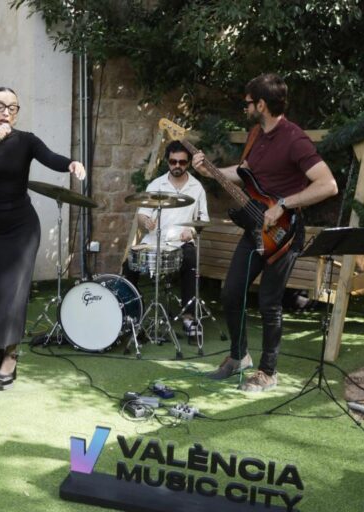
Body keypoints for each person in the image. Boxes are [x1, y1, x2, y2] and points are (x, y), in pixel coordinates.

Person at [192, 73, 337, 392]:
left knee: (270, 302)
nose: (244, 107)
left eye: (247, 102)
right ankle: (238, 356)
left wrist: (283, 204)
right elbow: (246, 175)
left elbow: (328, 184)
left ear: (261, 104)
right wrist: (210, 171)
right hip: (256, 227)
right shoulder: (256, 133)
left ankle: (268, 372)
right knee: (231, 292)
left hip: (284, 235)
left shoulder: (295, 139)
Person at [0, 87, 86, 390]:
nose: (5, 112)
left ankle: (11, 356)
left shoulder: (26, 141)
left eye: (12, 107)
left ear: (17, 112)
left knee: (13, 294)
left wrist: (71, 163)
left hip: (20, 229)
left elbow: (50, 157)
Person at [123, 140, 209, 335]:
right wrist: (145, 222)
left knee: (190, 259)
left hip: (181, 241)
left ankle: (188, 317)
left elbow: (203, 219)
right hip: (153, 240)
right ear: (167, 162)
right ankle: (131, 313)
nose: (177, 166)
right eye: (173, 162)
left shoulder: (197, 187)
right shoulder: (156, 184)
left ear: (188, 163)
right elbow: (142, 214)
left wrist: (193, 232)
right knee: (129, 264)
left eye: (182, 162)